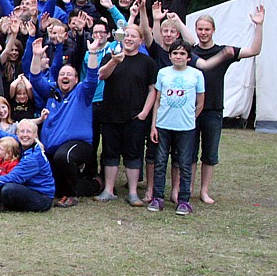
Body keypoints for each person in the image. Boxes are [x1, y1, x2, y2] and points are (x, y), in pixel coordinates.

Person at [187, 5, 264, 204]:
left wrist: (259, 25)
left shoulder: (224, 51)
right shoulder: (189, 52)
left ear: (213, 30)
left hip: (213, 110)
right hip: (191, 110)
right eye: (200, 29)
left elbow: (254, 50)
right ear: (196, 30)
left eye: (207, 29)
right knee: (189, 153)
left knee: (210, 153)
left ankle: (204, 191)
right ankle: (189, 188)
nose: (203, 33)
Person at [29, 35, 106, 207]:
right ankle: (94, 184)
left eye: (69, 74)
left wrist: (93, 52)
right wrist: (36, 56)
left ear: (76, 79)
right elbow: (35, 78)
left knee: (64, 156)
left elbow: (92, 77)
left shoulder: (82, 92)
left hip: (78, 144)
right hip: (51, 147)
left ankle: (71, 196)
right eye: (62, 74)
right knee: (54, 185)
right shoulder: (51, 91)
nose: (65, 76)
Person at [95, 25, 157, 207]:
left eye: (133, 36)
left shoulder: (148, 62)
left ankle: (133, 193)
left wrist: (144, 113)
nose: (129, 39)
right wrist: (114, 61)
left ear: (141, 41)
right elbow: (101, 75)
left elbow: (153, 89)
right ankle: (108, 190)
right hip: (110, 115)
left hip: (135, 117)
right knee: (110, 153)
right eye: (126, 35)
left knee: (133, 154)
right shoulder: (111, 56)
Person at [149, 39, 205, 215]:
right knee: (160, 162)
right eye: (175, 53)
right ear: (170, 55)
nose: (178, 56)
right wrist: (154, 126)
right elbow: (157, 100)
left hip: (186, 128)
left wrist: (190, 119)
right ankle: (157, 197)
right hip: (163, 125)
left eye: (182, 53)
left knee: (184, 164)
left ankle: (184, 200)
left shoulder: (196, 75)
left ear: (188, 57)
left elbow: (200, 102)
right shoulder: (163, 73)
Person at [0, 110, 55, 213]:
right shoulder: (18, 141)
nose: (25, 135)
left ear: (35, 134)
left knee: (8, 189)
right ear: (17, 133)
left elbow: (12, 178)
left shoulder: (34, 157)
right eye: (22, 131)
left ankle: (2, 206)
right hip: (25, 187)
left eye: (28, 132)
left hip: (41, 196)